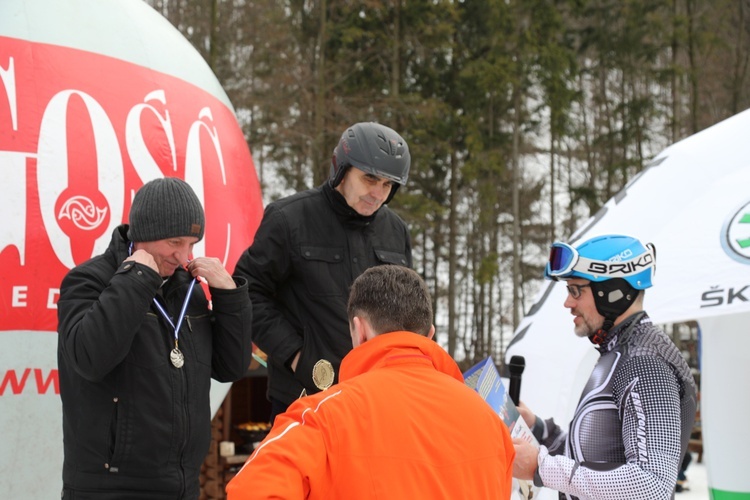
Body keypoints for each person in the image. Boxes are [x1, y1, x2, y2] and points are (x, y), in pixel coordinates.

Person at [225, 265, 516, 499]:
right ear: (429, 334)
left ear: (359, 330)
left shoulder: (320, 417)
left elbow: (251, 490)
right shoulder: (490, 422)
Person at [57, 177, 253, 499]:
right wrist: (136, 280)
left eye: (192, 244)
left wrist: (229, 297)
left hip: (181, 485)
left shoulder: (186, 288)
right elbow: (89, 360)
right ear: (144, 234)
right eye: (175, 242)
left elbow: (230, 367)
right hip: (109, 489)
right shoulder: (88, 281)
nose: (184, 256)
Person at [233, 122, 412, 421]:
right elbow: (248, 292)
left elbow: (406, 310)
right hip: (305, 395)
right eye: (369, 178)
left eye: (387, 184)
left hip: (375, 399)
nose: (377, 193)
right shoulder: (289, 219)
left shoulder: (395, 232)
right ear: (341, 169)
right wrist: (295, 355)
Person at [512, 234, 697, 500]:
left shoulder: (645, 362)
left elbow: (653, 485)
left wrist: (542, 466)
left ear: (612, 292)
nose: (568, 303)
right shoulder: (621, 351)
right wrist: (540, 429)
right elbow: (594, 455)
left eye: (576, 290)